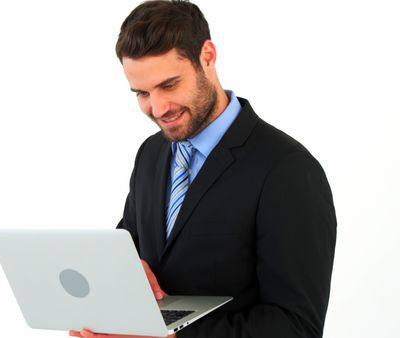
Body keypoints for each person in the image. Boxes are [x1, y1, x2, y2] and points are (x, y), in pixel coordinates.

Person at [69, 1, 337, 337]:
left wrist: (171, 337)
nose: (158, 108)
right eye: (141, 93)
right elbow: (129, 247)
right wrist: (119, 277)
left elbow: (296, 327)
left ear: (207, 56)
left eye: (169, 85)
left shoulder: (288, 170)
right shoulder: (151, 154)